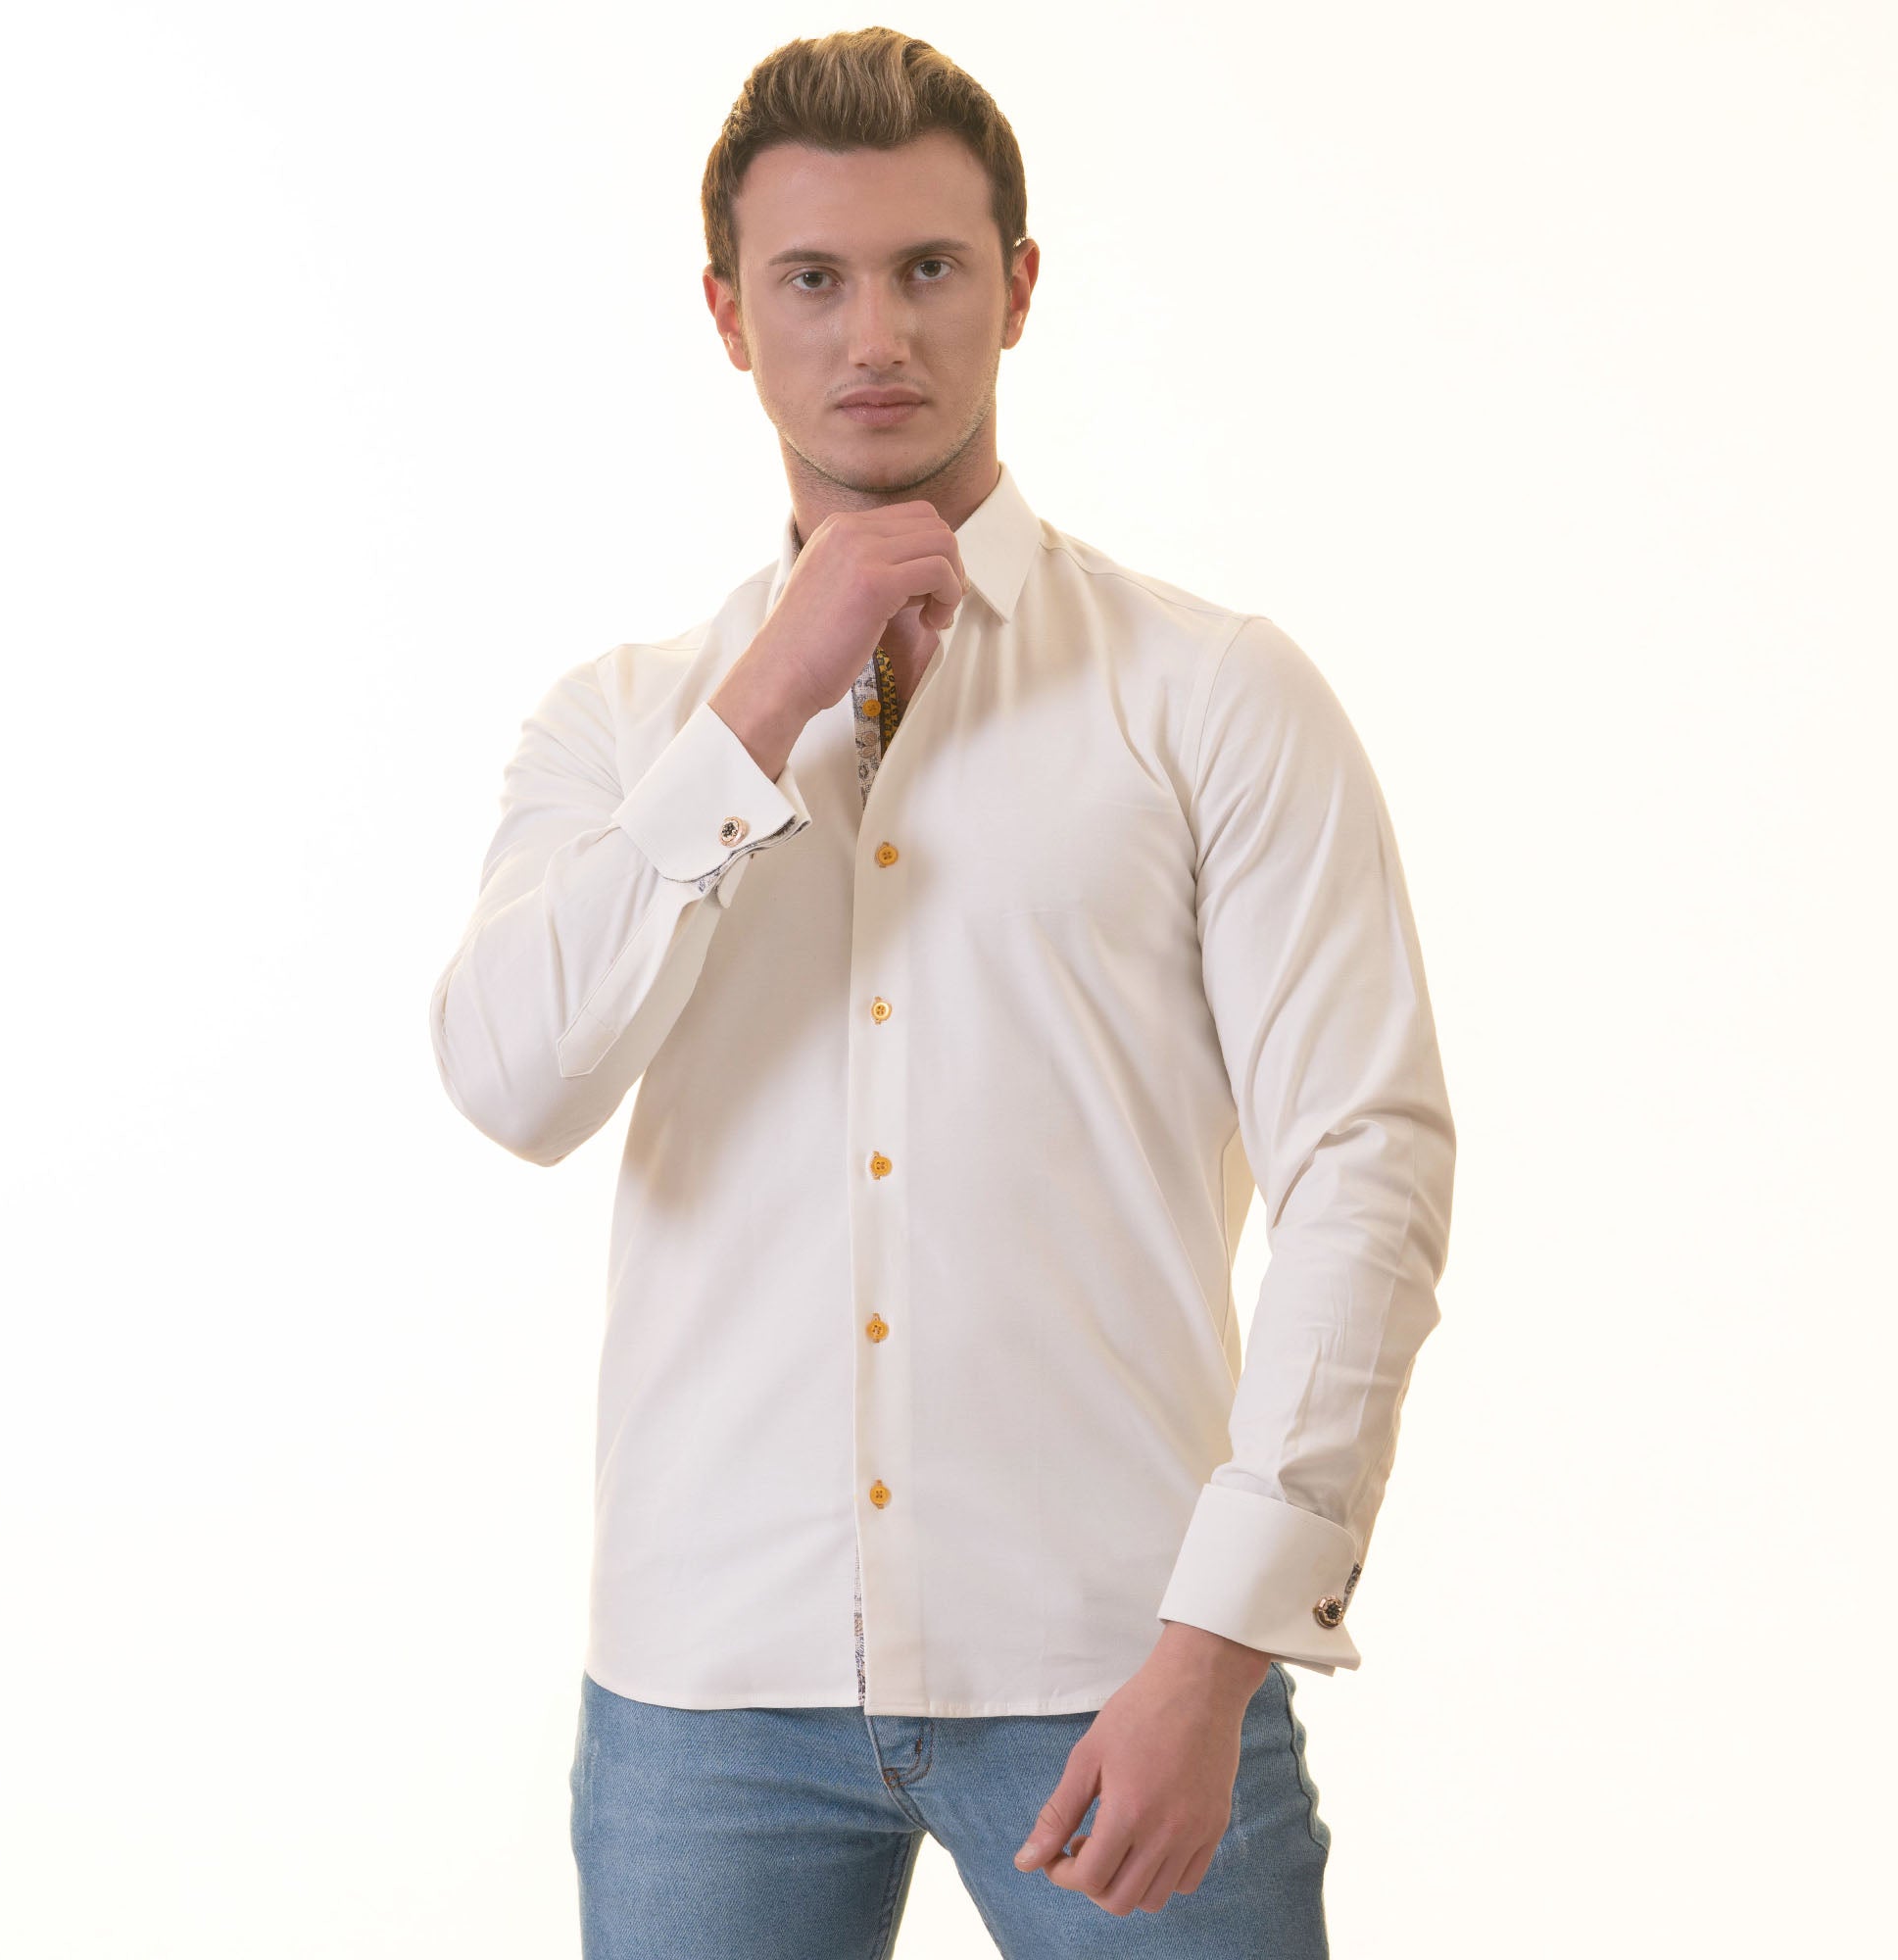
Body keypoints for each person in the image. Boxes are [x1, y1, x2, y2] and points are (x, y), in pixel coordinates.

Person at [427, 25, 1454, 1959]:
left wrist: (1217, 1644)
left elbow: (1366, 1168)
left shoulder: (1212, 694)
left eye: (928, 268)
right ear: (729, 316)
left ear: (1020, 287)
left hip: (1120, 1655)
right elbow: (511, 1078)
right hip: (704, 1689)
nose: (876, 332)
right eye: (813, 279)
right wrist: (763, 705)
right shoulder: (622, 725)